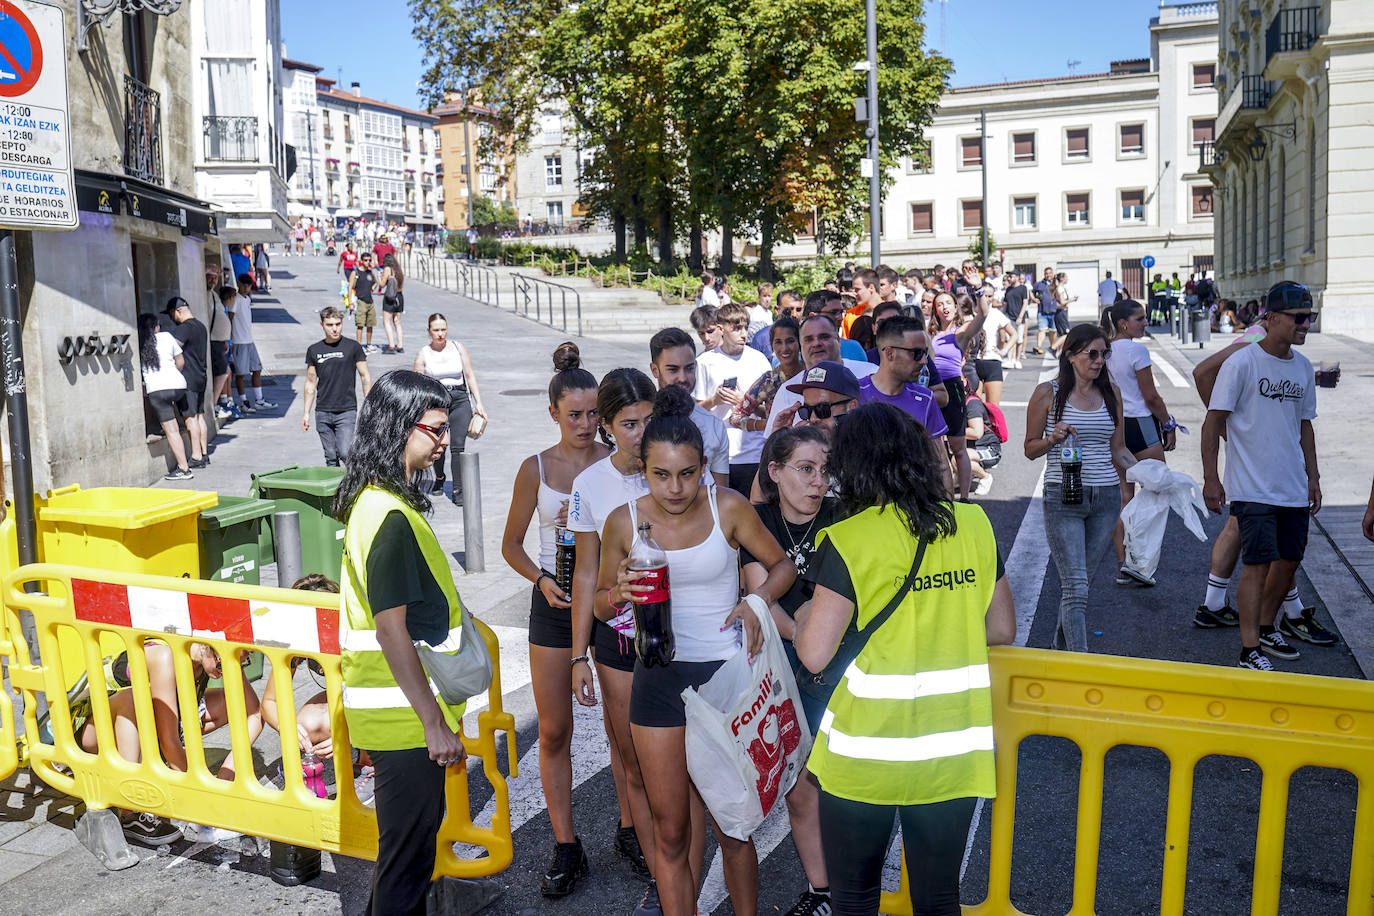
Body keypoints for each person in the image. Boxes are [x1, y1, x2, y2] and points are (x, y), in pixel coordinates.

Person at [793, 402, 1015, 916]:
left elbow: (814, 651)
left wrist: (802, 612)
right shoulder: (974, 525)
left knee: (855, 897)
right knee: (939, 898)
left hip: (865, 753)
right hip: (951, 748)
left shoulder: (851, 539)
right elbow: (1001, 627)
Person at [599, 385, 795, 916]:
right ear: (643, 469)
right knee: (670, 832)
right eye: (661, 475)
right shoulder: (622, 521)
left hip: (725, 682)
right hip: (657, 681)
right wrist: (617, 592)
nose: (676, 487)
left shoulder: (727, 507)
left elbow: (783, 566)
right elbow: (598, 605)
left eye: (687, 472)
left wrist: (756, 602)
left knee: (734, 826)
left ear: (703, 466)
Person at [335, 370, 471, 914]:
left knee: (401, 862)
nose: (445, 441)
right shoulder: (389, 516)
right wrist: (434, 724)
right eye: (435, 430)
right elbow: (391, 628)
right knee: (405, 871)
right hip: (407, 719)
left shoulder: (374, 502)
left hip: (395, 713)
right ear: (398, 428)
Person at [500, 344, 633, 896]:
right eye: (572, 414)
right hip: (554, 605)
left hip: (610, 603)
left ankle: (631, 830)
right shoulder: (535, 468)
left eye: (590, 415)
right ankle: (565, 844)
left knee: (624, 730)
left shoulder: (617, 460)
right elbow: (509, 545)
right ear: (553, 412)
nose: (583, 424)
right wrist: (540, 578)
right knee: (554, 729)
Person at [567, 369, 661, 910]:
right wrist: (579, 654)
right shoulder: (590, 485)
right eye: (629, 424)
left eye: (650, 420)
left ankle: (679, 856)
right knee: (632, 760)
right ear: (606, 425)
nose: (642, 433)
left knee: (684, 761)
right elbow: (584, 574)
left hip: (682, 638)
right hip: (618, 639)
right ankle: (659, 868)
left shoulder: (675, 468)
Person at [742, 425, 836, 915]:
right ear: (775, 472)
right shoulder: (755, 520)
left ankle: (851, 889)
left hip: (843, 674)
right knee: (800, 792)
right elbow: (761, 595)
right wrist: (805, 635)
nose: (817, 481)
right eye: (805, 469)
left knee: (843, 790)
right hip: (784, 674)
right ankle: (821, 890)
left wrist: (817, 636)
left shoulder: (846, 516)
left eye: (824, 470)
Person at [1202, 282, 1321, 671]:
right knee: (1257, 565)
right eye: (1299, 318)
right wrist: (1211, 478)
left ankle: (1268, 626)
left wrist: (1314, 478)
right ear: (1271, 319)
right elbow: (1213, 421)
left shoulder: (1303, 367)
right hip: (1251, 486)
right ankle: (1248, 649)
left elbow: (1305, 426)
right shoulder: (1242, 363)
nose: (1306, 324)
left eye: (1310, 317)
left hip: (1291, 486)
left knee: (1288, 562)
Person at [73, 636, 262, 847]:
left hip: (144, 734)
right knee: (134, 699)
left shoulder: (214, 658)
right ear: (210, 646)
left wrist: (225, 777)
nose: (223, 672)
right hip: (95, 735)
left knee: (232, 702)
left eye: (242, 663)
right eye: (222, 664)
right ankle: (131, 811)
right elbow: (169, 742)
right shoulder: (165, 656)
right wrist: (204, 796)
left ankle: (152, 769)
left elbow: (253, 714)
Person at [1025, 324, 1137, 652]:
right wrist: (1051, 438)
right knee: (1075, 586)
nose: (1099, 360)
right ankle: (1080, 663)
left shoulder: (1112, 393)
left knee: (1080, 585)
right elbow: (1030, 449)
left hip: (1105, 498)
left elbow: (1118, 449)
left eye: (1104, 354)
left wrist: (1152, 473)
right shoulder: (1048, 393)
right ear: (1071, 356)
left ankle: (1059, 654)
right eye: (1092, 353)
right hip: (1064, 495)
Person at [1101, 300, 1178, 582]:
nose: (1145, 323)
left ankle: (1125, 561)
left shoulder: (1104, 349)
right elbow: (1151, 397)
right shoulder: (1137, 350)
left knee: (1124, 495)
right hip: (1142, 424)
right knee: (1158, 489)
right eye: (1140, 319)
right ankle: (1141, 557)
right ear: (1124, 323)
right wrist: (1169, 423)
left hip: (1115, 424)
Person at [693, 302, 773, 493]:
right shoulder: (704, 362)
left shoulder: (759, 360)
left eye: (745, 327)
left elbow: (771, 413)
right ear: (721, 329)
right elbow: (695, 412)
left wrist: (743, 403)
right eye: (736, 329)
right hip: (718, 455)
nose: (744, 334)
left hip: (755, 453)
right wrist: (715, 400)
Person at [261, 574, 337, 772]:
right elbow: (270, 703)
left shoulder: (348, 637)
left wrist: (348, 733)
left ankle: (366, 763)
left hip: (373, 698)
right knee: (308, 725)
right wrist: (287, 727)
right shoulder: (296, 642)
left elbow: (372, 693)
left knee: (334, 724)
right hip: (343, 694)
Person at [413, 313, 488, 506]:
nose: (440, 334)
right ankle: (439, 478)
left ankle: (458, 489)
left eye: (443, 329)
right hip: (436, 402)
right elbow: (418, 384)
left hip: (460, 399)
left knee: (457, 445)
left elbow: (470, 375)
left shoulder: (458, 348)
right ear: (429, 331)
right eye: (436, 330)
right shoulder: (424, 353)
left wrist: (478, 403)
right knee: (438, 444)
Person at [929, 289, 993, 501]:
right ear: (935, 310)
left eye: (948, 303)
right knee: (935, 448)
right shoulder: (928, 335)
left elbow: (982, 315)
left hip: (952, 387)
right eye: (940, 304)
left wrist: (979, 292)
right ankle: (941, 496)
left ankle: (964, 498)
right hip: (930, 389)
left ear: (955, 307)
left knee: (958, 447)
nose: (944, 307)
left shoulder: (960, 333)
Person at [765, 315, 878, 435]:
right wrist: (782, 439)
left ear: (838, 340)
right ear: (800, 346)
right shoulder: (786, 391)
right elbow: (772, 446)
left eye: (824, 337)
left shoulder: (872, 373)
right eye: (808, 339)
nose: (816, 343)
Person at [648, 327, 730, 488]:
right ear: (655, 370)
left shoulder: (714, 426)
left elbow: (721, 494)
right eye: (673, 370)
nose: (683, 378)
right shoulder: (640, 423)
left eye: (689, 368)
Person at [858, 315, 950, 455]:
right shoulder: (856, 395)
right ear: (890, 353)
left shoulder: (926, 399)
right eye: (917, 353)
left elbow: (940, 461)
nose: (924, 361)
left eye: (925, 353)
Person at [304, 307, 372, 467]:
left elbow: (365, 376)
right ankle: (336, 491)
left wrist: (369, 403)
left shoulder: (353, 347)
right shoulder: (314, 350)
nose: (334, 328)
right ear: (322, 325)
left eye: (338, 324)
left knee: (345, 452)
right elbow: (310, 382)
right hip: (322, 411)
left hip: (346, 410)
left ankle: (358, 482)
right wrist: (306, 413)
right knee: (330, 457)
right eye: (330, 325)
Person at [138, 313, 194, 480]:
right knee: (189, 417)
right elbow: (181, 361)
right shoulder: (167, 337)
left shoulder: (139, 342)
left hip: (156, 390)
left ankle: (184, 468)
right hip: (178, 386)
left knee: (171, 430)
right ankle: (198, 452)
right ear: (156, 327)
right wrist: (172, 375)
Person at [732, 316, 804, 441]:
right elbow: (736, 417)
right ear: (771, 346)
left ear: (800, 342)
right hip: (779, 450)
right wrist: (767, 425)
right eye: (778, 342)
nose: (784, 348)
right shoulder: (769, 381)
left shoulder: (811, 375)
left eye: (790, 341)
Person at [164, 297, 210, 468]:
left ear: (178, 311)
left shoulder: (184, 329)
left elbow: (171, 350)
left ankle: (196, 456)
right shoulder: (201, 326)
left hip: (188, 379)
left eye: (170, 314)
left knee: (190, 419)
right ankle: (204, 453)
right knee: (199, 416)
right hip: (201, 376)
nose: (171, 318)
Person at [228, 273, 276, 414]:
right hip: (239, 341)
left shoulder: (247, 299)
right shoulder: (235, 300)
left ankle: (259, 400)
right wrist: (229, 339)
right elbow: (229, 318)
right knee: (241, 374)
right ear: (238, 284)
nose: (246, 288)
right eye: (243, 285)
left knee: (257, 369)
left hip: (249, 340)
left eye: (248, 286)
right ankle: (244, 402)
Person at [208, 276, 236, 422]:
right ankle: (215, 404)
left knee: (225, 372)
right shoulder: (208, 296)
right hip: (213, 341)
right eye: (210, 277)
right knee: (224, 372)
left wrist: (225, 339)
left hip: (220, 341)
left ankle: (218, 402)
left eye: (215, 278)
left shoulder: (213, 295)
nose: (213, 280)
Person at [966, 390, 1002, 496]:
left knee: (959, 459)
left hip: (989, 449)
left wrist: (948, 431)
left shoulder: (972, 405)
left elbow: (976, 433)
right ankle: (962, 476)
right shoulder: (955, 403)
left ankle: (985, 476)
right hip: (971, 448)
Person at [351, 252, 380, 352]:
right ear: (361, 261)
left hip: (370, 301)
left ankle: (369, 344)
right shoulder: (356, 273)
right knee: (360, 324)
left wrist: (373, 288)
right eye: (366, 260)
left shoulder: (370, 272)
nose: (368, 262)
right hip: (360, 301)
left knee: (370, 324)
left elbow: (375, 282)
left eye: (369, 260)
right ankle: (358, 346)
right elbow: (350, 287)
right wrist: (351, 303)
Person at [378, 253, 406, 354]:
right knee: (397, 322)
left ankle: (391, 346)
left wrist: (379, 277)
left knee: (387, 321)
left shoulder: (387, 269)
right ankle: (400, 345)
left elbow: (381, 284)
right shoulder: (398, 270)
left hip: (390, 297)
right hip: (399, 296)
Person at [1001, 271, 1029, 369]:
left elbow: (1025, 303)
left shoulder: (1023, 288)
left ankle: (1017, 359)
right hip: (1009, 317)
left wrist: (1020, 317)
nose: (1009, 278)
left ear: (1017, 277)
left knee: (1019, 340)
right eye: (1008, 277)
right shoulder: (1008, 289)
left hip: (1019, 317)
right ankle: (1010, 359)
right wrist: (1002, 316)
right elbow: (1005, 304)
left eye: (1011, 276)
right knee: (1010, 339)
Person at [1032, 267, 1057, 356]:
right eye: (1046, 273)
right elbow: (1031, 291)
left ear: (1052, 274)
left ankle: (1053, 347)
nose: (1048, 275)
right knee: (1041, 330)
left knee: (1053, 331)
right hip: (1042, 311)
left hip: (1054, 311)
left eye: (1050, 273)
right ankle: (1039, 347)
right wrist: (1034, 299)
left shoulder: (1056, 284)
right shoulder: (1039, 284)